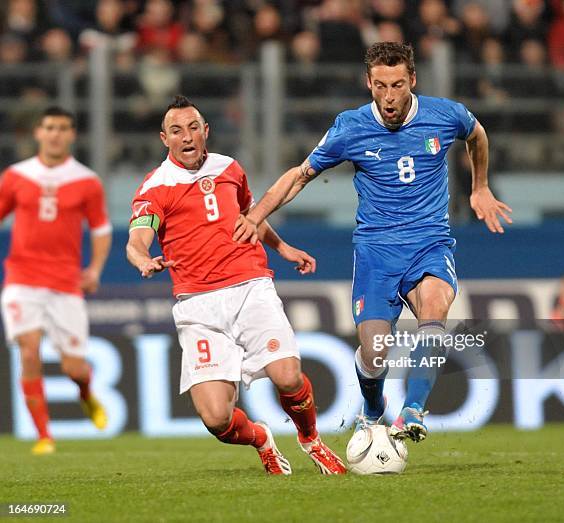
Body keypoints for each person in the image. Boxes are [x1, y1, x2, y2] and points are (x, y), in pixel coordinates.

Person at [234, 42, 512, 443]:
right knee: (375, 351)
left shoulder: (444, 115)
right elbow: (299, 176)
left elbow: (477, 134)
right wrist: (256, 216)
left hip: (430, 243)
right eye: (380, 86)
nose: (389, 96)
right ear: (368, 83)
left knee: (435, 311)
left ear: (412, 80)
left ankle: (413, 409)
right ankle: (374, 407)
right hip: (376, 251)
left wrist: (480, 186)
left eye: (397, 85)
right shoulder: (350, 128)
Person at [126, 95, 346, 475]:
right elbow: (137, 238)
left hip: (250, 287)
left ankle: (311, 440)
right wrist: (144, 259)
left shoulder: (229, 168)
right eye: (177, 131)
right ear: (165, 139)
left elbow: (248, 217)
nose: (187, 136)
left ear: (205, 130)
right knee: (216, 419)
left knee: (288, 376)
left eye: (193, 127)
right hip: (198, 306)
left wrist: (283, 248)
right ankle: (261, 439)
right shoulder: (155, 187)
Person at [0, 107, 112, 455]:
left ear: (72, 135)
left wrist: (93, 269)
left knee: (74, 367)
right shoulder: (16, 176)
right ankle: (44, 436)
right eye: (49, 127)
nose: (55, 134)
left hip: (66, 283)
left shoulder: (86, 181)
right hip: (22, 277)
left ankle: (85, 393)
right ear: (38, 133)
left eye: (62, 128)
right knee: (29, 351)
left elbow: (101, 230)